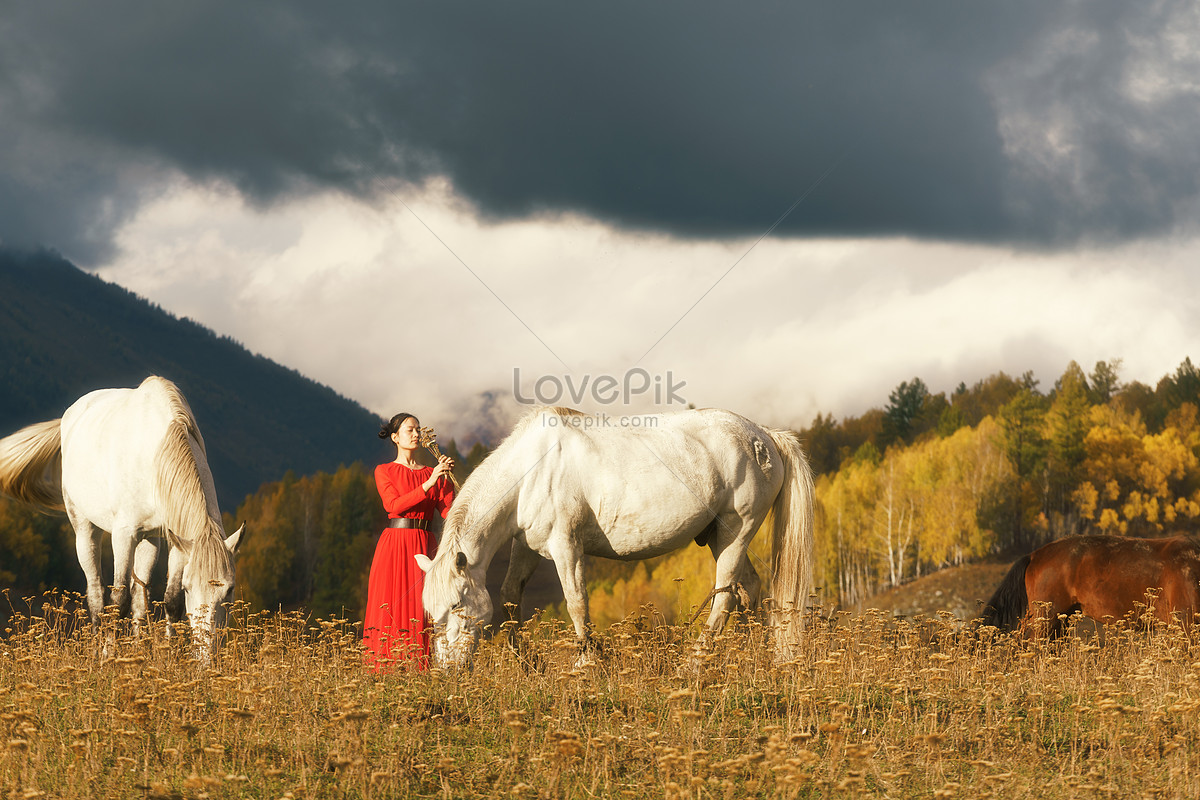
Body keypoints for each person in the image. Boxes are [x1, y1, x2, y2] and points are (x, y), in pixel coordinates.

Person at [363, 412, 455, 670]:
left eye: (417, 430)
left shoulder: (431, 472)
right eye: (409, 430)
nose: (416, 435)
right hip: (395, 543)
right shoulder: (385, 471)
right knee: (392, 602)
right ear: (395, 437)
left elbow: (449, 511)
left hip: (426, 543)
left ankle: (422, 669)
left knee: (424, 607)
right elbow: (393, 505)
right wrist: (430, 482)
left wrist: (447, 481)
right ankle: (386, 670)